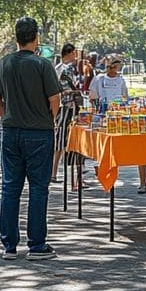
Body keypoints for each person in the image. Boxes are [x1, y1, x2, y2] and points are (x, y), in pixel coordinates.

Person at [0, 17, 62, 261]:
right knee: (38, 188)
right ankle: (36, 244)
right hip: (39, 131)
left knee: (10, 187)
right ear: (36, 37)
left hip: (11, 131)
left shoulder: (2, 64)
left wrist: (6, 113)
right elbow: (55, 101)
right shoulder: (43, 65)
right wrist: (47, 117)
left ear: (15, 37)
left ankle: (9, 244)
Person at [52, 43, 82, 187]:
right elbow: (76, 86)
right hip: (68, 107)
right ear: (70, 53)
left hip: (64, 107)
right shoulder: (67, 68)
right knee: (69, 139)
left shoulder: (58, 68)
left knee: (63, 139)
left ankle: (55, 173)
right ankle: (73, 178)